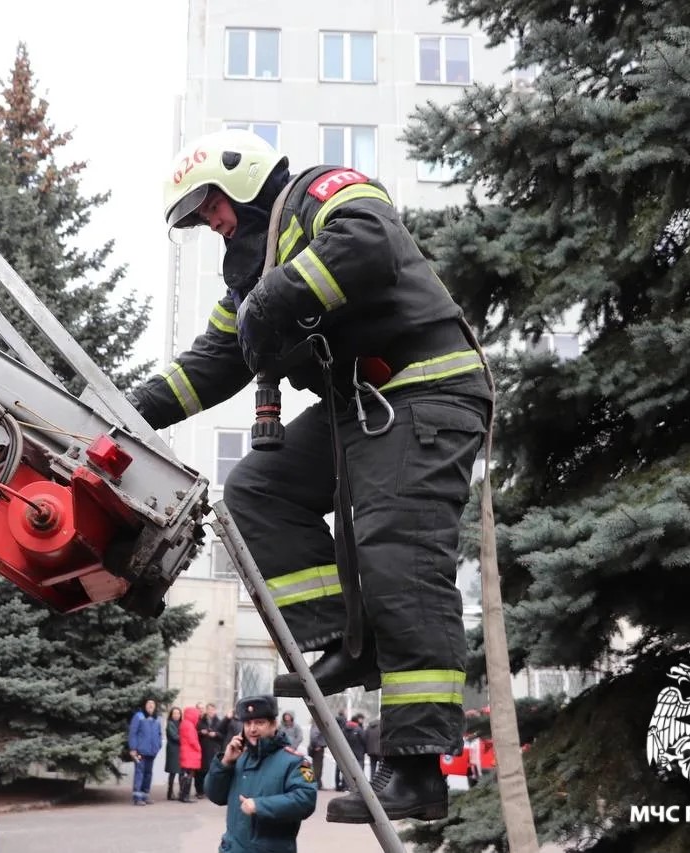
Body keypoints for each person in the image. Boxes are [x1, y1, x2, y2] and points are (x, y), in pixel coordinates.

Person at [129, 128, 490, 823]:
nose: (212, 223)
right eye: (201, 217)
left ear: (243, 179)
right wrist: (127, 413)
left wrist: (277, 297)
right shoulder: (249, 281)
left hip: (423, 389)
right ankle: (345, 639)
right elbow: (210, 363)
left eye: (212, 206)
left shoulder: (321, 193)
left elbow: (369, 244)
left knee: (399, 557)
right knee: (258, 489)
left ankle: (415, 769)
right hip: (360, 406)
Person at [205, 695, 317, 853]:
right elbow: (215, 795)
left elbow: (305, 800)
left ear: (274, 725)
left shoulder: (295, 761)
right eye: (248, 723)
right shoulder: (239, 757)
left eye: (259, 722)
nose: (252, 729)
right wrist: (225, 763)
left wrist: (260, 805)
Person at [128, 698, 162, 805]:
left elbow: (159, 734)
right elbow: (133, 733)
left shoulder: (157, 719)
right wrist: (133, 748)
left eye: (153, 704)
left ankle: (145, 795)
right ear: (145, 705)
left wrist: (158, 746)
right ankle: (137, 797)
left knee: (148, 773)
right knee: (140, 773)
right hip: (140, 752)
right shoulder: (139, 716)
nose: (151, 705)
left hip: (152, 752)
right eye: (149, 703)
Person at [196, 701, 223, 798]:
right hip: (202, 749)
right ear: (206, 711)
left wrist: (215, 734)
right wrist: (201, 732)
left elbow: (222, 735)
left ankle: (210, 791)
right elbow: (195, 733)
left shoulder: (219, 722)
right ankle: (199, 791)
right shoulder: (200, 721)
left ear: (215, 711)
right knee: (200, 772)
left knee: (212, 771)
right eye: (209, 710)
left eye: (212, 710)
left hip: (214, 749)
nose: (211, 711)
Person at [177, 705, 203, 802]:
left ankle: (182, 795)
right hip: (190, 753)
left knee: (185, 774)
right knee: (189, 775)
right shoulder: (189, 725)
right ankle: (185, 796)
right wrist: (199, 748)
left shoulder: (184, 723)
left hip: (186, 752)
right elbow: (193, 740)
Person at [165, 706, 183, 800]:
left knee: (181, 772)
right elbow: (175, 737)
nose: (176, 715)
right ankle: (170, 792)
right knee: (172, 772)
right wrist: (184, 738)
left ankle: (181, 792)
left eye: (178, 713)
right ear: (171, 715)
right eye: (174, 713)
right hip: (173, 750)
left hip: (180, 750)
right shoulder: (170, 724)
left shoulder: (181, 723)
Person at [307, 723, 327, 790]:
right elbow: (314, 736)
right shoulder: (317, 725)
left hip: (315, 748)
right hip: (317, 748)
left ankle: (319, 784)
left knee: (316, 767)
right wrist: (317, 746)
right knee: (317, 768)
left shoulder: (314, 725)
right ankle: (316, 784)